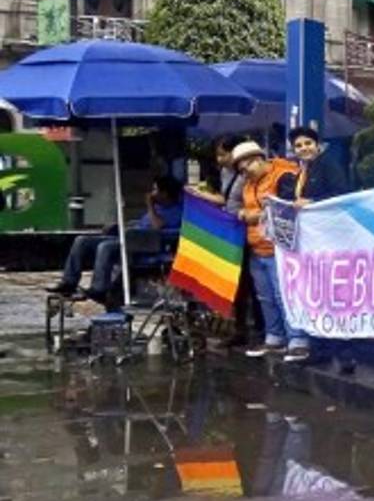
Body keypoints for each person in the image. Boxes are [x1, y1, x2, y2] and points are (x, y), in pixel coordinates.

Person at [280, 126, 355, 372]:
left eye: (307, 143)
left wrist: (312, 203)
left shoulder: (328, 165)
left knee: (334, 297)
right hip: (311, 243)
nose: (304, 149)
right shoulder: (303, 170)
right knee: (315, 297)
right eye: (298, 146)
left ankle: (345, 354)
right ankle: (319, 348)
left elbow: (342, 195)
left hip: (330, 241)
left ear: (317, 144)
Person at [47, 175, 184, 304]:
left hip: (145, 246)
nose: (152, 193)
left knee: (105, 247)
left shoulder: (176, 211)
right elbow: (141, 223)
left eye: (155, 190)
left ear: (165, 193)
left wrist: (149, 205)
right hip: (130, 238)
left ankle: (99, 288)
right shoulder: (158, 207)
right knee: (81, 241)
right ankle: (69, 282)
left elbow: (157, 226)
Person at [230, 141, 304, 360]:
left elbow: (288, 206)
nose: (243, 173)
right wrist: (245, 214)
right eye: (240, 170)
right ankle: (275, 338)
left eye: (245, 168)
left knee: (285, 296)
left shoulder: (283, 175)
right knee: (266, 297)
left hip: (279, 249)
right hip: (256, 247)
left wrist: (257, 215)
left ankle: (297, 340)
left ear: (258, 159)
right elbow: (236, 208)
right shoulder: (247, 184)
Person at [188, 135, 262, 346]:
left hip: (246, 229)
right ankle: (240, 328)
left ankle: (259, 328)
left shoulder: (247, 175)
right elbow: (225, 198)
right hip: (229, 228)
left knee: (252, 282)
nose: (220, 159)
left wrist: (201, 196)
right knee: (236, 282)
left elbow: (232, 201)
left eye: (223, 154)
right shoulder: (226, 172)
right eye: (218, 155)